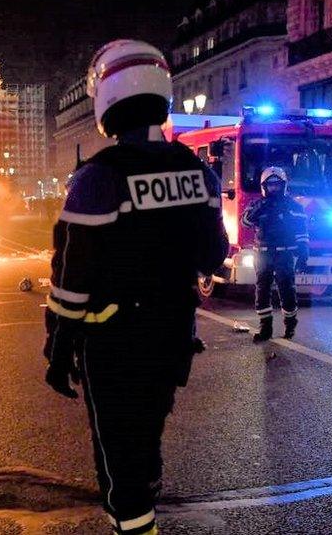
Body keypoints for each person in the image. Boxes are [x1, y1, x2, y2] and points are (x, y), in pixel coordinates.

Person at [42, 39, 228, 535]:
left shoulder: (98, 177)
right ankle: (141, 503)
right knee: (145, 440)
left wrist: (58, 352)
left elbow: (71, 281)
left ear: (105, 99)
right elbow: (214, 255)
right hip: (173, 338)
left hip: (115, 345)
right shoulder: (199, 172)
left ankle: (136, 522)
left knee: (119, 460)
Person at [241, 167, 309, 342]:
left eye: (277, 184)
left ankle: (290, 323)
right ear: (264, 186)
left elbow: (302, 232)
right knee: (262, 290)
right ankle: (265, 328)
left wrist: (303, 254)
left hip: (284, 254)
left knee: (287, 290)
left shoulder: (294, 206)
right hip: (262, 254)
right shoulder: (257, 204)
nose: (274, 188)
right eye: (270, 185)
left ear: (283, 185)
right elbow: (245, 222)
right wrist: (257, 210)